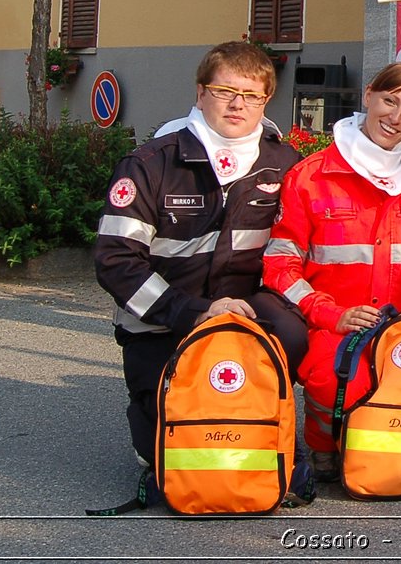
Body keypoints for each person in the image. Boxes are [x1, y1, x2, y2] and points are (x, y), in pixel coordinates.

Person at [95, 40, 307, 475]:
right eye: (224, 91)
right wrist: (195, 311)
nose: (237, 105)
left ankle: (260, 412)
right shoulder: (151, 163)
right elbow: (116, 260)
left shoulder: (285, 163)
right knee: (165, 450)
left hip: (244, 315)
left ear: (266, 100)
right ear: (200, 93)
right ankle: (155, 411)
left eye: (251, 95)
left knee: (293, 334)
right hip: (163, 319)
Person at [261, 62, 401, 482]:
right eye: (390, 101)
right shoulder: (310, 176)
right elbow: (279, 264)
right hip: (333, 325)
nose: (396, 119)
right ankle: (327, 446)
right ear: (369, 96)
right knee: (335, 380)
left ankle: (385, 458)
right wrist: (328, 314)